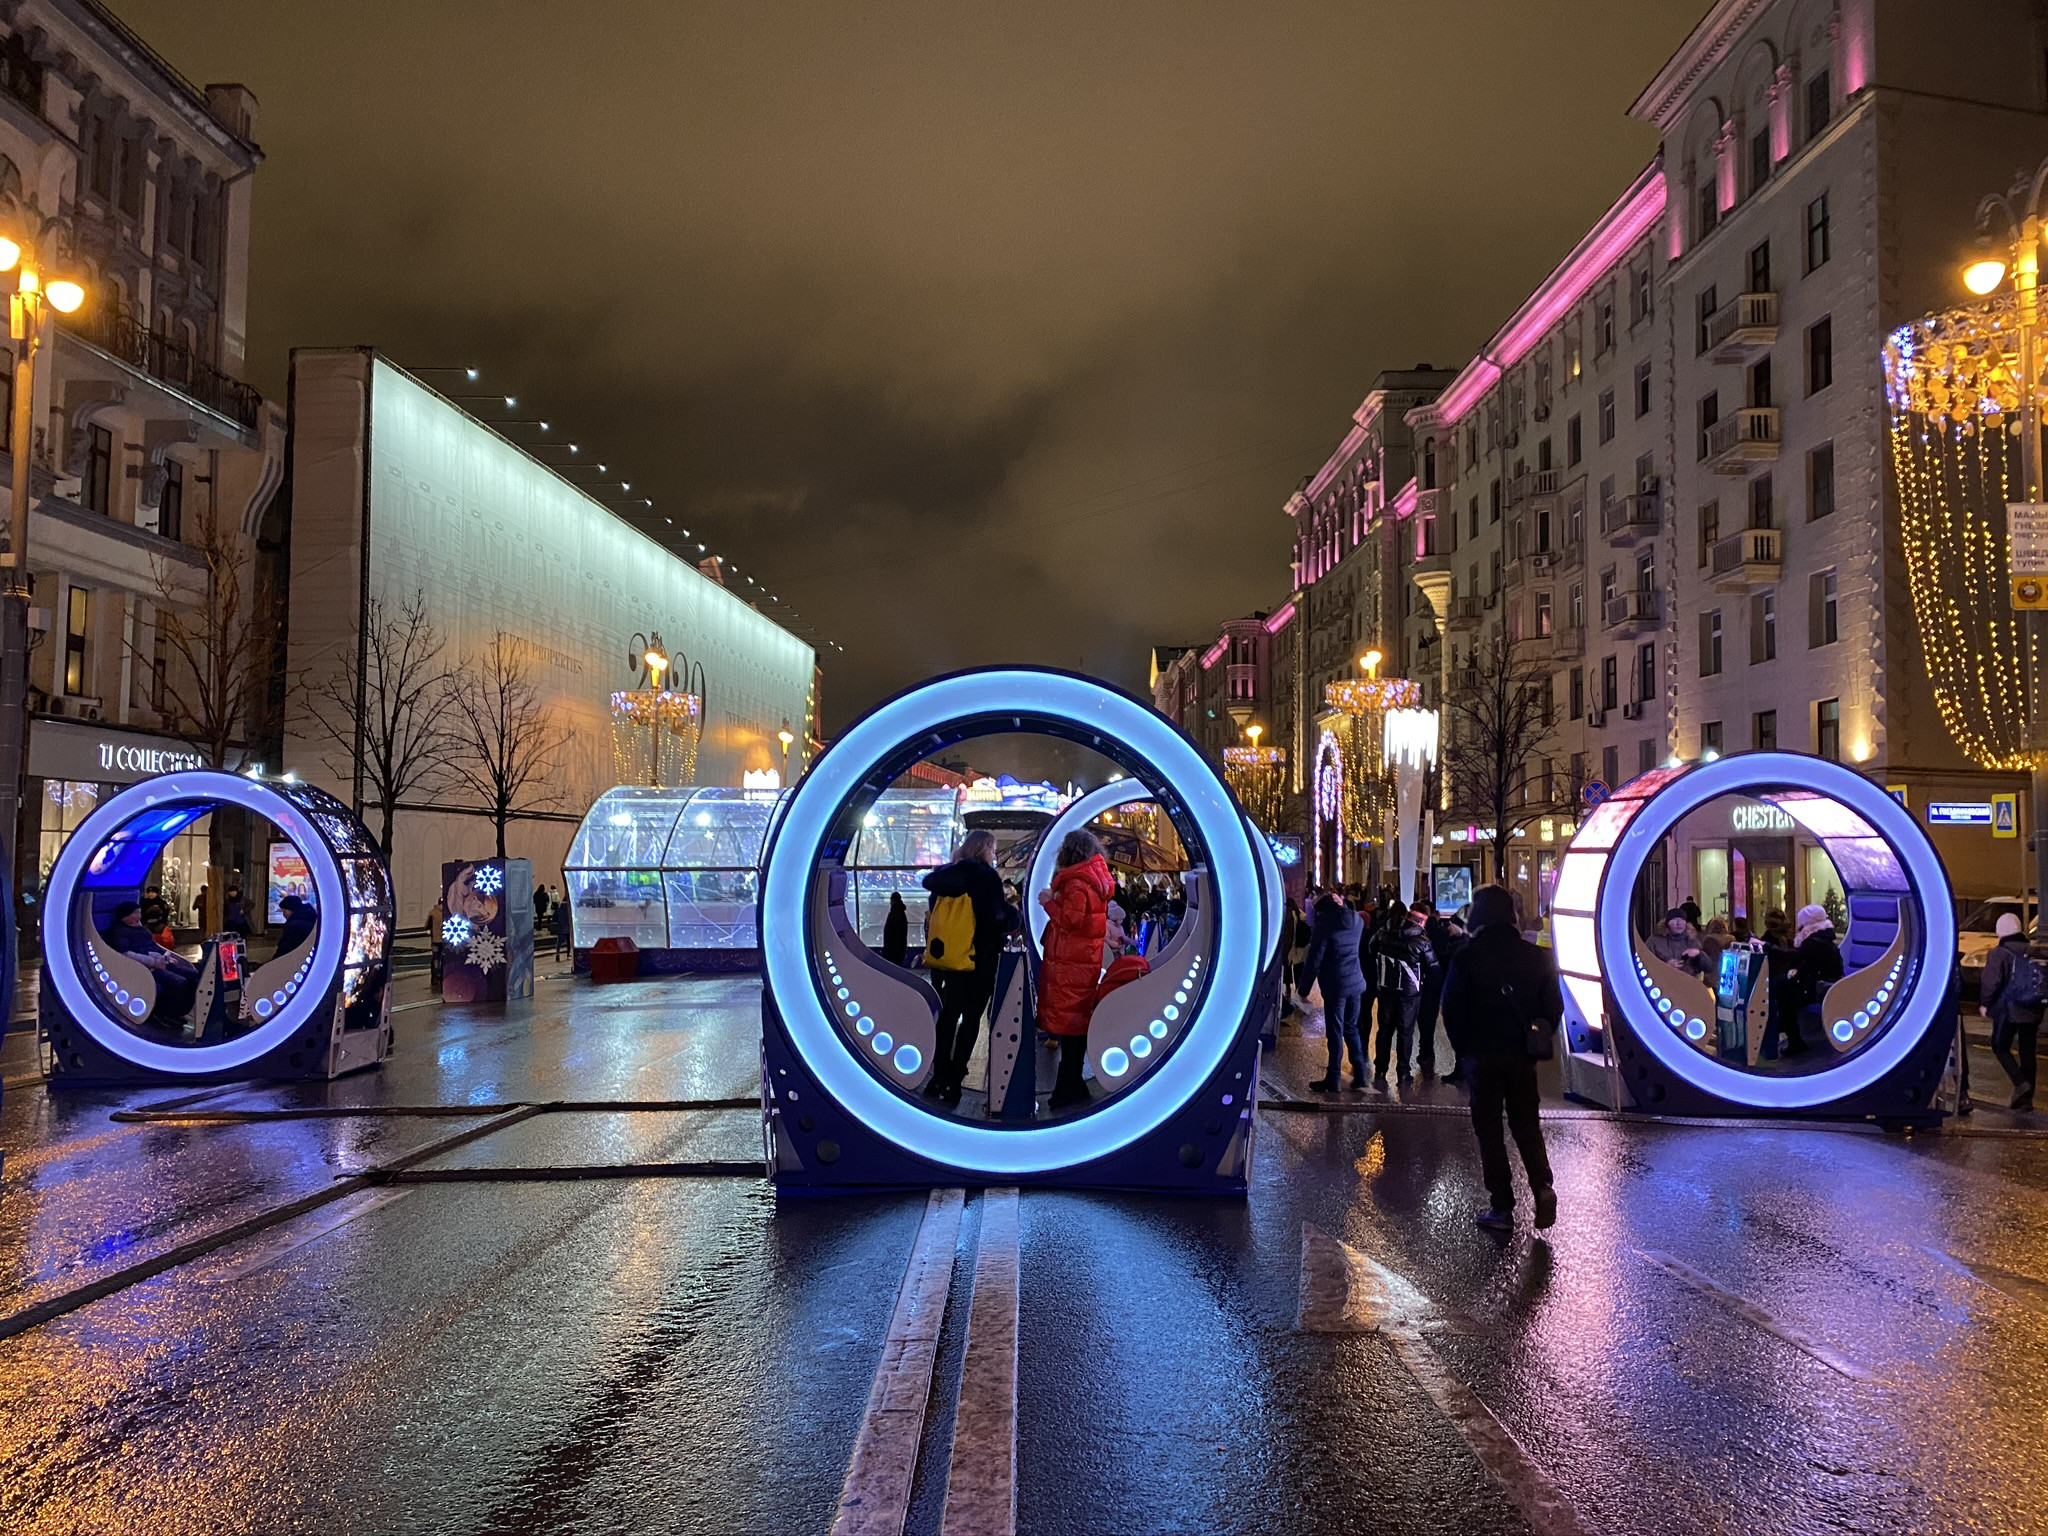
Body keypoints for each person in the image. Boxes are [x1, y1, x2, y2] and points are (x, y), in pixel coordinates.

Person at [1441, 883, 1560, 1232]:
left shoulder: (1467, 956)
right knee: (1526, 1124)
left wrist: (1464, 1051)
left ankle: (1502, 1206)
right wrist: (1538, 1036)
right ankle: (1541, 1185)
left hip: (1482, 1054)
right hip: (1522, 1056)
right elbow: (1553, 1006)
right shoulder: (1536, 956)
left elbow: (1452, 1008)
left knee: (1489, 1130)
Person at [922, 829, 1021, 1107]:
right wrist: (1013, 915)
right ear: (983, 849)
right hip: (980, 959)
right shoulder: (985, 877)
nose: (994, 854)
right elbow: (996, 917)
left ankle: (937, 1075)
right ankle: (955, 1080)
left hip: (950, 958)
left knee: (949, 1015)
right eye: (993, 849)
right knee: (972, 1019)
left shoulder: (945, 876)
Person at [1036, 828, 1114, 1111]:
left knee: (1070, 1027)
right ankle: (1075, 1087)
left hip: (1071, 964)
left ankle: (1065, 1091)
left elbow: (1071, 921)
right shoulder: (1093, 881)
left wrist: (1048, 902)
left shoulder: (1078, 884)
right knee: (1075, 1025)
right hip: (1083, 961)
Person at [1301, 890, 1369, 1092]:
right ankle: (1361, 1075)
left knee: (1335, 1032)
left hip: (1336, 984)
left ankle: (1333, 1079)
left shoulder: (1325, 924)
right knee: (1352, 1028)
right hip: (1356, 981)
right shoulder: (1356, 919)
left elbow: (1314, 958)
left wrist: (1304, 989)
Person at [1370, 901, 1440, 1086]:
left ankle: (1380, 1070)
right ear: (1422, 921)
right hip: (1409, 993)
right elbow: (1434, 968)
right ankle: (1403, 1072)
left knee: (1384, 1031)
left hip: (1386, 989)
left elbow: (1371, 949)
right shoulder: (1422, 941)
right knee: (1405, 1032)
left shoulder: (1384, 933)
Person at [102, 899, 200, 1025]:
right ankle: (163, 1013)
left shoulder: (141, 929)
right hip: (144, 968)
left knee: (194, 976)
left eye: (139, 913)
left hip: (161, 962)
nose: (138, 916)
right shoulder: (119, 932)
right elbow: (127, 954)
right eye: (135, 913)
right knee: (178, 982)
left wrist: (166, 956)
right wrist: (153, 962)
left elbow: (154, 946)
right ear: (125, 916)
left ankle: (179, 1012)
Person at [1982, 912, 2041, 1110]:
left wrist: (1985, 1003)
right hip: (2033, 1007)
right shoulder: (2033, 950)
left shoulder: (1999, 953)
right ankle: (2026, 1099)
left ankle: (2019, 1083)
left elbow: (1992, 982)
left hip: (2009, 1008)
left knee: (1999, 1045)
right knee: (2028, 1051)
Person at [1781, 903, 1844, 1053]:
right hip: (1826, 984)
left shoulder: (1814, 941)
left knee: (1783, 992)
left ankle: (1795, 1041)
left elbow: (1800, 958)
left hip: (1824, 987)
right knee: (1785, 987)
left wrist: (1768, 947)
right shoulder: (1822, 937)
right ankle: (1794, 1039)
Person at [1419, 904, 1466, 1081]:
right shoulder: (1454, 941)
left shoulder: (1459, 946)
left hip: (1441, 988)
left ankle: (1429, 1054)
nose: (1448, 928)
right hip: (1444, 986)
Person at [881, 891, 910, 967]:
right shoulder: (901, 911)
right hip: (899, 946)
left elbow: (891, 931)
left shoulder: (894, 912)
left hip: (892, 947)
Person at [427, 898, 448, 991]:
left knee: (435, 958)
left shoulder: (432, 913)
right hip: (444, 940)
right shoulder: (447, 913)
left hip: (435, 940)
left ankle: (435, 977)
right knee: (443, 958)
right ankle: (442, 976)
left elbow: (427, 926)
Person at [552, 895, 574, 959]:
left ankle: (557, 953)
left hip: (561, 928)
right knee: (568, 942)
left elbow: (554, 919)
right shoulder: (570, 910)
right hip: (568, 928)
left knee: (559, 942)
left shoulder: (558, 910)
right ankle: (568, 954)